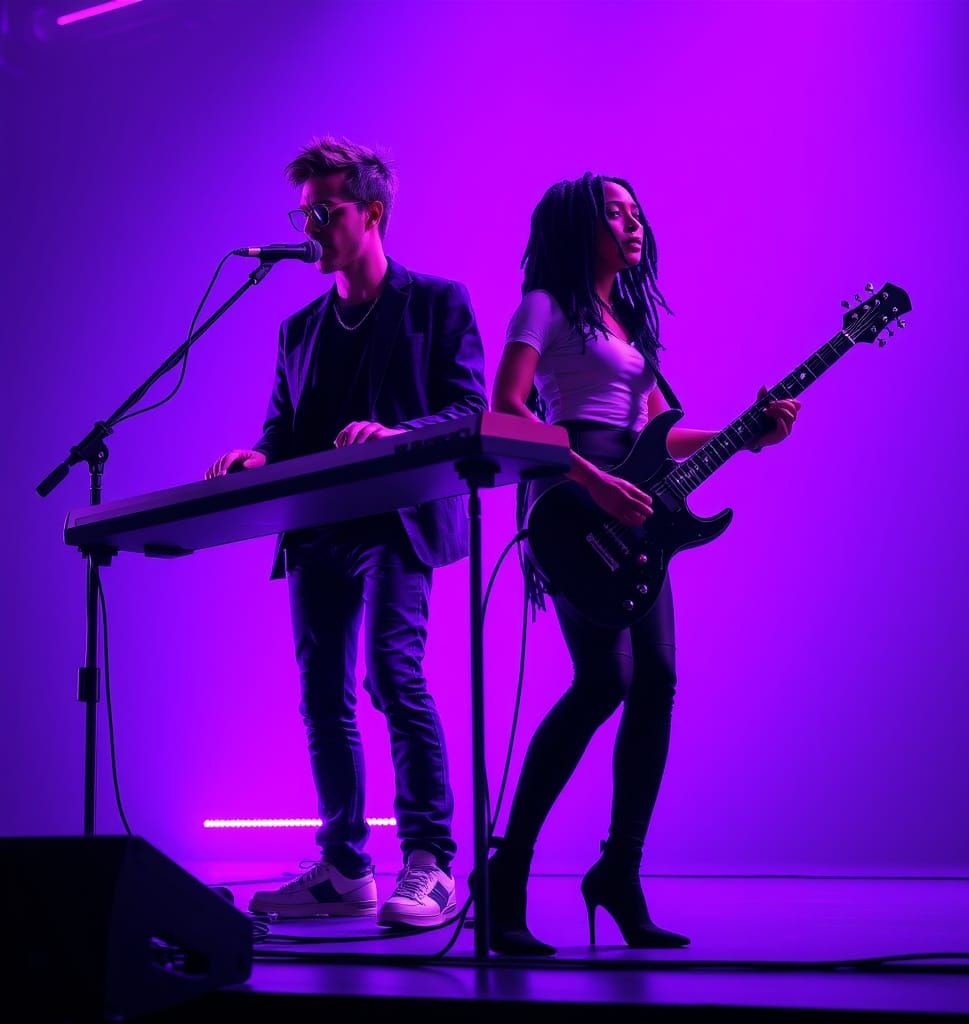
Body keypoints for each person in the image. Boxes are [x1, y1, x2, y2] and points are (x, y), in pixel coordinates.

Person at [484, 173, 800, 955]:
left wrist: (749, 432)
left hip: (640, 505)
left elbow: (665, 433)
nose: (633, 224)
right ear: (578, 225)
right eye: (615, 212)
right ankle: (506, 875)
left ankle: (619, 873)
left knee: (655, 679)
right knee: (605, 680)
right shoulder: (545, 306)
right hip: (571, 501)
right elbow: (510, 407)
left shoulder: (630, 328)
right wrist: (594, 480)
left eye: (636, 213)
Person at [205, 136, 487, 927]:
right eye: (303, 215)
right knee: (320, 696)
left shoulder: (438, 303)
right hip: (318, 528)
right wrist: (256, 455)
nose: (311, 228)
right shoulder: (298, 330)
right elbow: (284, 432)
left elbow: (471, 410)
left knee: (392, 675)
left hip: (398, 521)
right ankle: (344, 868)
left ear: (373, 213)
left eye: (324, 212)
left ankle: (430, 862)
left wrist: (395, 435)